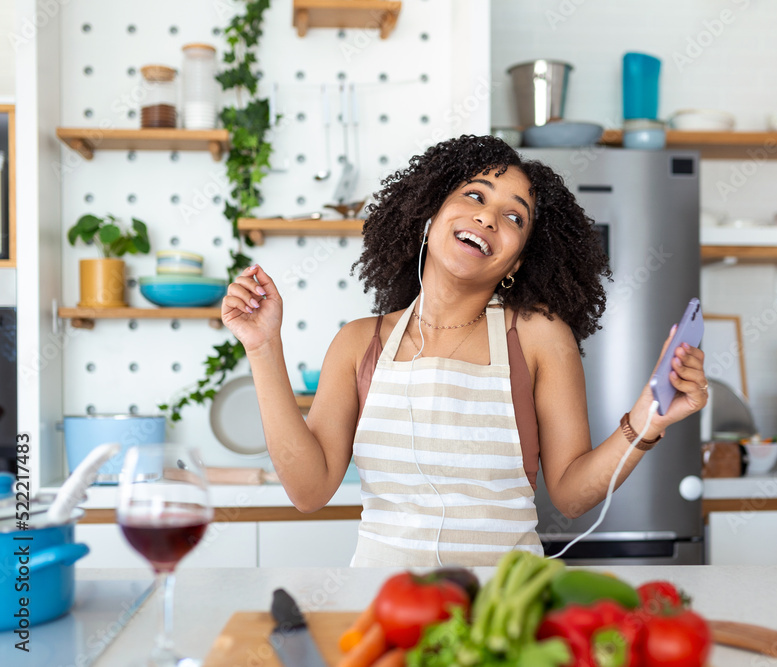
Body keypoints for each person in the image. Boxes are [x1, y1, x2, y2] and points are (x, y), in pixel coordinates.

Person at [222, 134, 708, 567]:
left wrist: (648, 420)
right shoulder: (358, 343)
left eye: (514, 216)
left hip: (502, 612)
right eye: (475, 194)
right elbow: (309, 491)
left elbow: (572, 495)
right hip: (386, 607)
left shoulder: (538, 336)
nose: (488, 216)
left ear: (517, 260)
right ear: (428, 219)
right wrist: (263, 348)